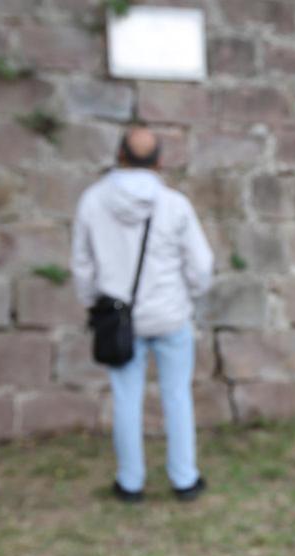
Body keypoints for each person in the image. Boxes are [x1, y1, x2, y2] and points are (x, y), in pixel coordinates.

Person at [71, 126, 214, 503]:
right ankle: (184, 479)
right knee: (177, 396)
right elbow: (201, 265)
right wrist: (189, 296)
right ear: (159, 161)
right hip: (170, 315)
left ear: (119, 156)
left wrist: (93, 303)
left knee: (125, 398)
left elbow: (82, 264)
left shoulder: (92, 200)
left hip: (119, 318)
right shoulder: (174, 204)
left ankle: (130, 482)